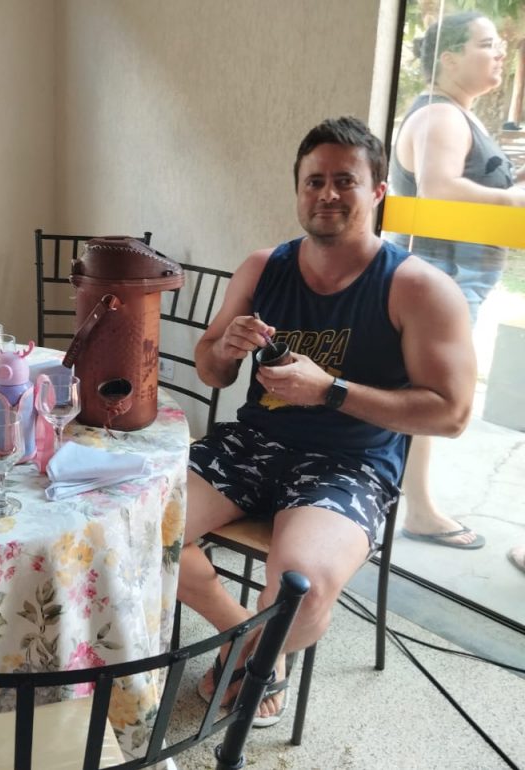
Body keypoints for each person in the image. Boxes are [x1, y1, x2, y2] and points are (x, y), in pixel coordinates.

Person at [176, 116, 475, 726]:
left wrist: (331, 391)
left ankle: (256, 655)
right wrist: (225, 347)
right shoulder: (263, 267)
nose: (328, 194)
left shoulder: (418, 287)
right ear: (298, 190)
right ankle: (248, 642)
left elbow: (452, 414)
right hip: (252, 442)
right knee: (130, 527)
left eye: (346, 181)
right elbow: (211, 371)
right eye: (315, 181)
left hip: (353, 462)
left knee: (302, 587)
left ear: (378, 191)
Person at [388, 11, 525, 549]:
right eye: (486, 44)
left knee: (426, 388)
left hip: (454, 275)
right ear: (448, 58)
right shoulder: (441, 115)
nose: (500, 53)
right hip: (443, 275)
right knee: (431, 391)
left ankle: (416, 504)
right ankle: (419, 509)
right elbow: (439, 187)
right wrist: (511, 200)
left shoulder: (453, 113)